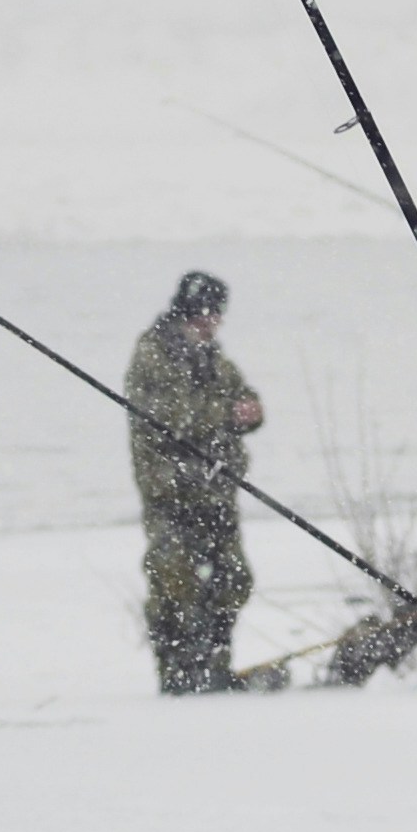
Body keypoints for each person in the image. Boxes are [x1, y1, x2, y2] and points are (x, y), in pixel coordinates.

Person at [124, 270, 265, 694]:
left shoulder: (214, 358)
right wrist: (225, 413)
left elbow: (243, 397)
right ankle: (178, 675)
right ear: (189, 311)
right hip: (170, 493)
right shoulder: (152, 354)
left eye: (217, 315)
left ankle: (215, 664)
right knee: (175, 583)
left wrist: (251, 412)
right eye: (207, 314)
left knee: (233, 578)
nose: (213, 323)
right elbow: (171, 416)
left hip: (216, 493)